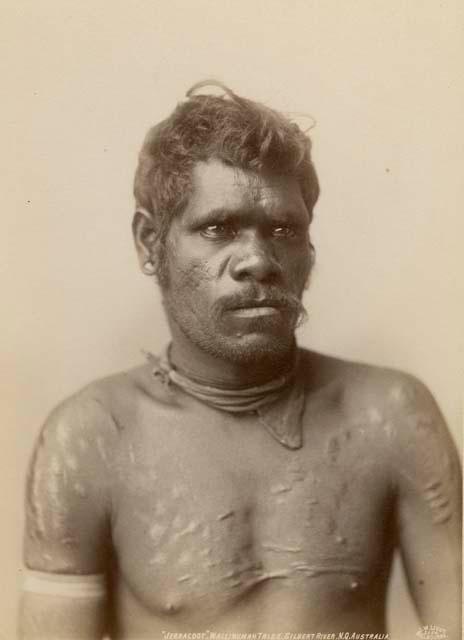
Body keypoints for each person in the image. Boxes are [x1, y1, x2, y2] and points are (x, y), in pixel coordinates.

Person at [19, 81, 461, 640]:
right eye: (217, 228)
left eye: (283, 229)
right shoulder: (91, 437)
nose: (258, 260)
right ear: (149, 243)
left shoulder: (391, 415)